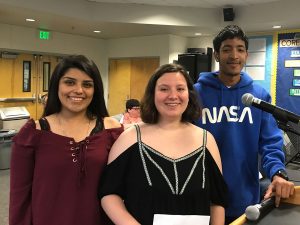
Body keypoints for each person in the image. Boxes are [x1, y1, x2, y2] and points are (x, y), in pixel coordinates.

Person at [99, 63, 228, 225]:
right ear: (152, 94)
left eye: (180, 89)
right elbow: (109, 193)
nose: (173, 96)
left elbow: (217, 200)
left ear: (190, 94)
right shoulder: (130, 138)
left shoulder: (206, 140)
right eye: (164, 89)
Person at [193, 25, 295, 224]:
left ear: (247, 54)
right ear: (215, 55)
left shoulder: (258, 96)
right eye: (227, 49)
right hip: (201, 195)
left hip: (243, 198)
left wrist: (278, 173)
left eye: (240, 49)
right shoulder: (195, 94)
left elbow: (270, 143)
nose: (234, 55)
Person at [9, 55, 123, 225]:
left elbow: (124, 186)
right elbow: (20, 196)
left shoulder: (111, 130)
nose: (78, 90)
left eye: (87, 84)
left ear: (95, 89)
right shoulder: (33, 133)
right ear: (56, 86)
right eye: (69, 82)